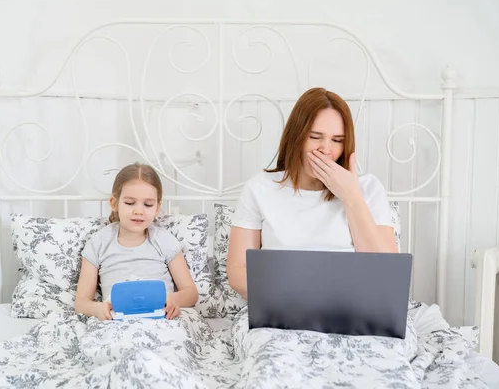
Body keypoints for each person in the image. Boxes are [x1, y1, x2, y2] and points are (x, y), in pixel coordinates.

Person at [226, 87, 399, 300]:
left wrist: (351, 196)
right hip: (282, 307)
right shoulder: (260, 188)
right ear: (296, 137)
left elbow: (386, 275)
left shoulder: (369, 189)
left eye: (337, 140)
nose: (326, 149)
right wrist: (295, 293)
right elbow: (237, 271)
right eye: (316, 137)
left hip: (353, 309)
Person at [75, 162, 198, 320]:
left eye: (148, 204)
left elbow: (191, 293)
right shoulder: (98, 242)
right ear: (114, 203)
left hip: (161, 319)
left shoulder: (164, 240)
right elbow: (81, 303)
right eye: (130, 203)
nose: (138, 211)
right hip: (116, 322)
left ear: (157, 208)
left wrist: (173, 300)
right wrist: (98, 309)